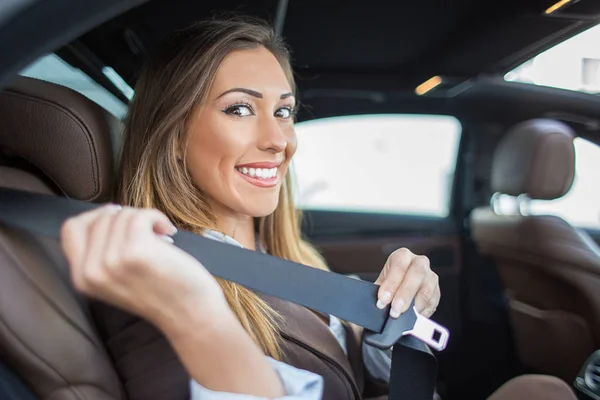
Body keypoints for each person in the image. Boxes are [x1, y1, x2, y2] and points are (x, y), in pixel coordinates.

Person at [59, 17, 440, 399]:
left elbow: (351, 371)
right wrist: (195, 318)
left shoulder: (290, 257)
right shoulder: (155, 284)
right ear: (172, 134)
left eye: (283, 111)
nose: (279, 141)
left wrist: (394, 319)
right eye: (239, 109)